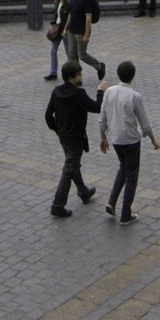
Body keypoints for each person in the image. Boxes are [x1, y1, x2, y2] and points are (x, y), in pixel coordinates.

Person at [98, 61, 160, 225]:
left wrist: (103, 137)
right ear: (133, 76)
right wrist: (154, 140)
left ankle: (112, 201)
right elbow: (144, 122)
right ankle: (126, 214)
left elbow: (102, 117)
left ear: (118, 74)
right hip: (131, 140)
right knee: (132, 175)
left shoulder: (109, 92)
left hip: (116, 139)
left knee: (123, 168)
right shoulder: (134, 96)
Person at [44, 66, 101, 216]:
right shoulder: (79, 94)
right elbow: (97, 107)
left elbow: (48, 116)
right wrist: (100, 92)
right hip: (76, 138)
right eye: (79, 74)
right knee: (69, 167)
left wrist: (58, 129)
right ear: (72, 76)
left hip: (63, 137)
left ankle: (83, 191)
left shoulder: (56, 92)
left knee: (72, 163)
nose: (81, 76)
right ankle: (58, 204)